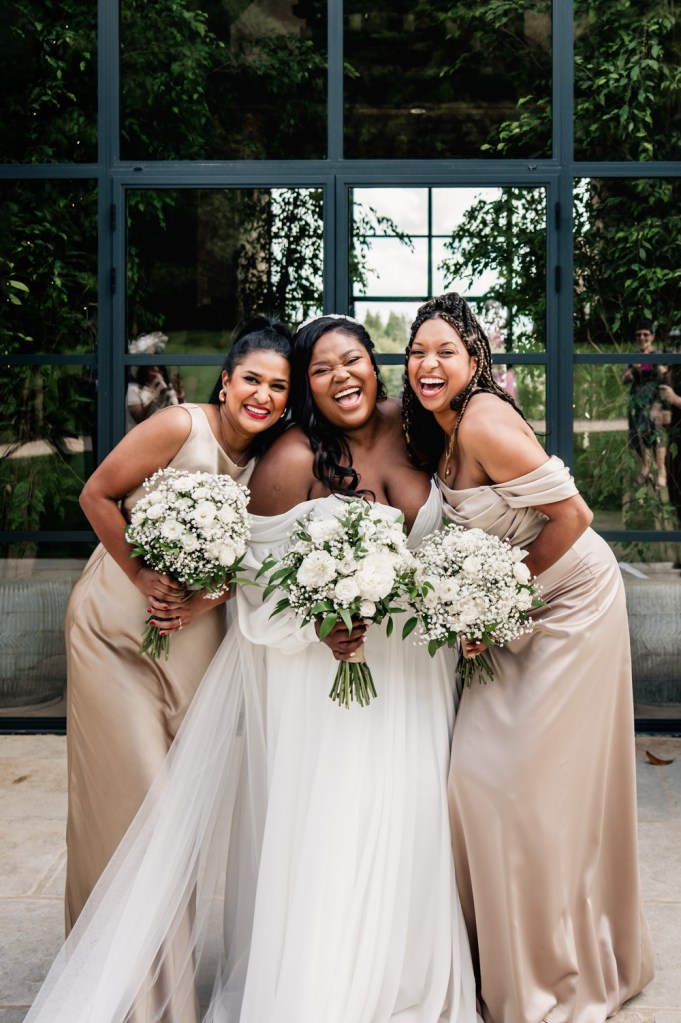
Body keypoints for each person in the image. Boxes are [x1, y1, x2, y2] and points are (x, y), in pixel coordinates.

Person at [25, 314, 479, 1023]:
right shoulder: (281, 454)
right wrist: (323, 616)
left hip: (413, 673)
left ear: (374, 365)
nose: (340, 377)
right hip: (294, 671)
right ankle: (148, 978)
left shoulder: (417, 425)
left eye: (351, 360)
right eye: (319, 370)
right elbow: (258, 582)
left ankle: (400, 975)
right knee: (161, 806)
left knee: (409, 827)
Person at [402, 292, 654, 1023]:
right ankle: (497, 957)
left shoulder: (481, 418)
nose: (428, 363)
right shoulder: (438, 427)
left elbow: (572, 517)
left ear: (474, 358)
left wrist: (493, 604)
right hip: (509, 608)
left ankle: (556, 974)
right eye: (417, 351)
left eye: (445, 350)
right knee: (472, 780)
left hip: (570, 600)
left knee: (519, 786)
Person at [62, 315, 291, 1019]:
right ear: (226, 380)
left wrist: (208, 592)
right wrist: (144, 575)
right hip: (114, 631)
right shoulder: (176, 427)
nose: (262, 394)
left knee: (174, 817)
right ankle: (134, 993)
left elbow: (251, 564)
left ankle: (149, 968)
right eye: (251, 378)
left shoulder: (273, 462)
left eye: (278, 386)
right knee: (141, 808)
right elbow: (96, 494)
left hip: (194, 644)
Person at [621, 319, 667, 489]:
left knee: (657, 434)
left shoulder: (660, 355)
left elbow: (666, 377)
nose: (642, 337)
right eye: (638, 334)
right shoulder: (633, 357)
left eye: (645, 334)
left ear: (652, 336)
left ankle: (662, 471)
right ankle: (645, 468)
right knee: (635, 436)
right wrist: (633, 367)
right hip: (636, 402)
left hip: (655, 402)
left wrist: (656, 365)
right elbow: (624, 379)